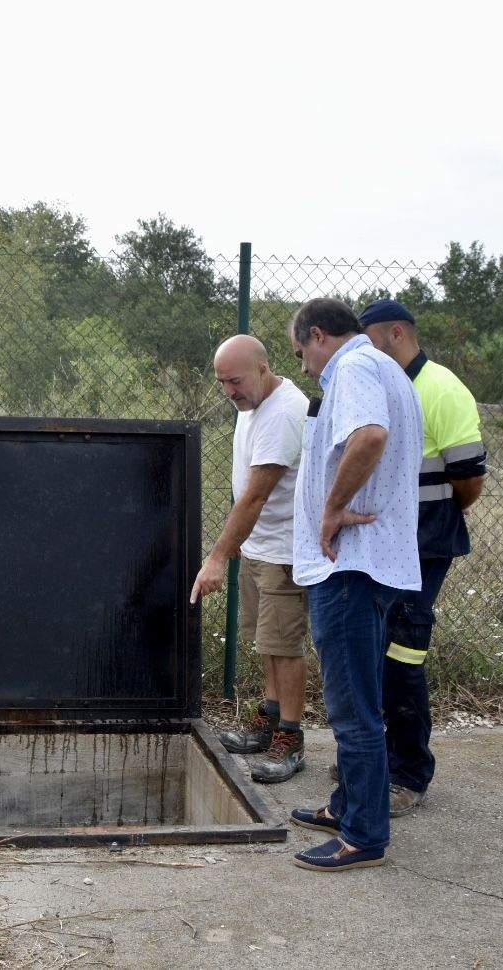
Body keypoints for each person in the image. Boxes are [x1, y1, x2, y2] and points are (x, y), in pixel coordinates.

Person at [285, 298, 422, 872]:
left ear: (319, 336)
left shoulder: (354, 368)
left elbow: (368, 437)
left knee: (351, 707)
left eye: (301, 354)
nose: (306, 368)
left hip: (350, 565)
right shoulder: (386, 367)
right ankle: (347, 806)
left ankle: (364, 835)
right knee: (359, 693)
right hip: (372, 564)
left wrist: (333, 507)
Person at [356, 298, 487, 816]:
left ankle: (408, 773)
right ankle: (377, 760)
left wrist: (431, 515)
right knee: (374, 647)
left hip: (426, 542)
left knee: (404, 652)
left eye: (367, 341)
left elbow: (468, 480)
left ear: (394, 335)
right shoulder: (385, 384)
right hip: (387, 540)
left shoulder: (441, 389)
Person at [190, 334, 311, 784]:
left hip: (284, 550)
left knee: (283, 645)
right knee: (266, 644)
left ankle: (291, 738)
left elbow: (257, 495)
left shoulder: (283, 412)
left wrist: (218, 556)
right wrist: (239, 544)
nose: (229, 391)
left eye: (235, 381)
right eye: (222, 382)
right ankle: (269, 716)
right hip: (259, 545)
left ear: (263, 368)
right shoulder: (252, 404)